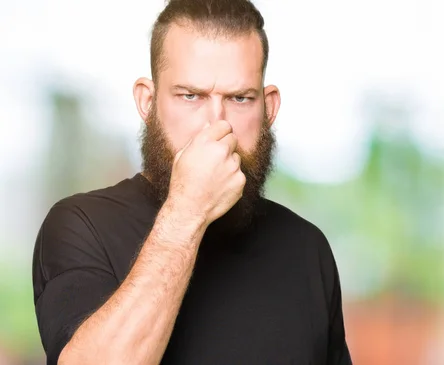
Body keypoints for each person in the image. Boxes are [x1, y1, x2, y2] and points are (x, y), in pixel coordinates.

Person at [31, 0, 352, 364]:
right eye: (190, 96)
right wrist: (188, 210)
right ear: (148, 102)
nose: (215, 125)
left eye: (240, 98)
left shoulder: (307, 248)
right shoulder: (79, 225)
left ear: (269, 107)